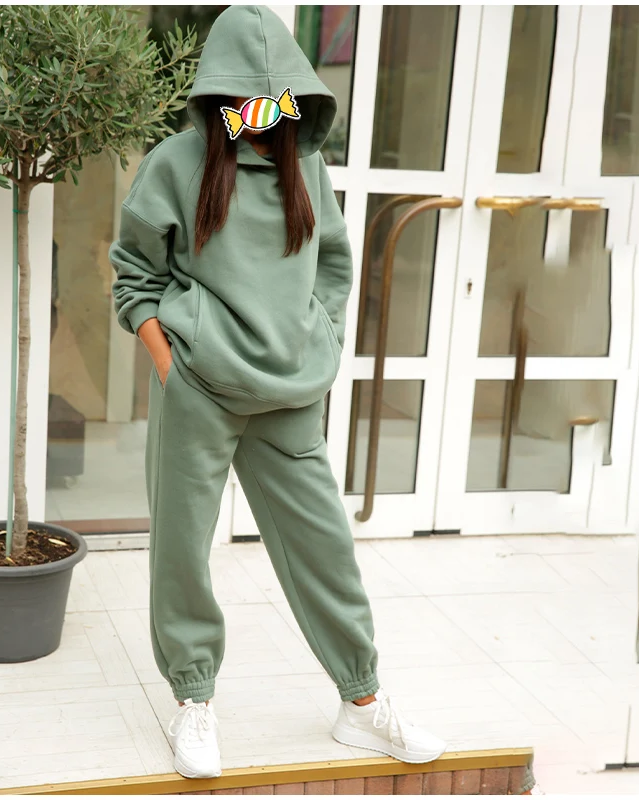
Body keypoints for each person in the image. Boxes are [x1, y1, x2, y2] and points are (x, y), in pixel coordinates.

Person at [110, 4, 446, 780]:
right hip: (199, 384)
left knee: (323, 544)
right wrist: (170, 362)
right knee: (183, 550)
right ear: (219, 93)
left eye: (275, 93)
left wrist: (315, 338)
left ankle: (361, 702)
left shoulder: (307, 167)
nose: (260, 106)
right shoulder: (176, 162)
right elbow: (134, 275)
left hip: (290, 390)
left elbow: (334, 264)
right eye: (244, 92)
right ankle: (194, 698)